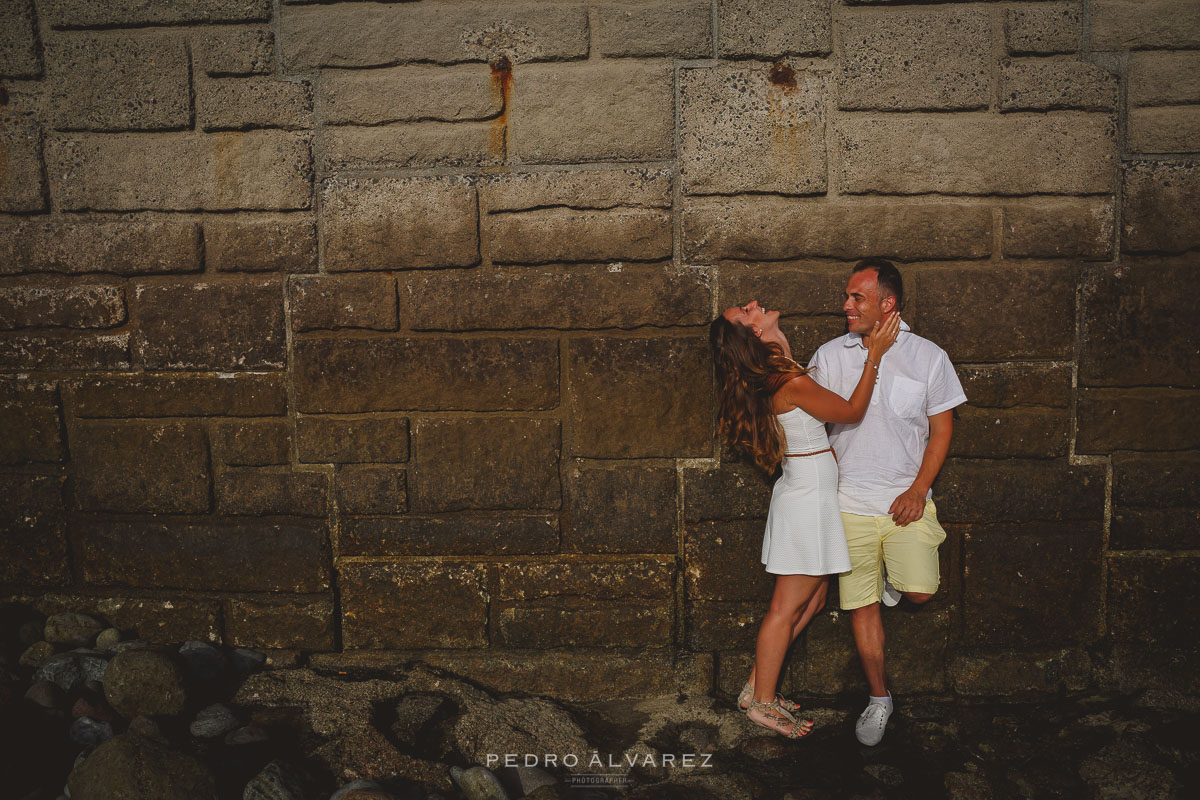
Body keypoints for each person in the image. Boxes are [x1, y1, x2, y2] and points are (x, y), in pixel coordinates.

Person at [709, 298, 899, 738]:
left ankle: (758, 685)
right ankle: (762, 704)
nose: (752, 304)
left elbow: (778, 356)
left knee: (812, 600)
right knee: (785, 607)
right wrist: (874, 356)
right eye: (746, 312)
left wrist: (773, 338)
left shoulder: (776, 368)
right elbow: (850, 412)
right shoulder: (786, 380)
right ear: (751, 335)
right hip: (807, 498)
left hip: (809, 492)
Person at [808, 258, 966, 746]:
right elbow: (812, 418)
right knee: (862, 605)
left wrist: (919, 490)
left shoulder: (928, 357)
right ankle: (879, 699)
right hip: (848, 503)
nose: (846, 305)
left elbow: (942, 429)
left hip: (904, 501)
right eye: (848, 296)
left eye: (857, 297)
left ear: (887, 304)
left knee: (919, 591)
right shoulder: (831, 355)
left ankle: (894, 575)